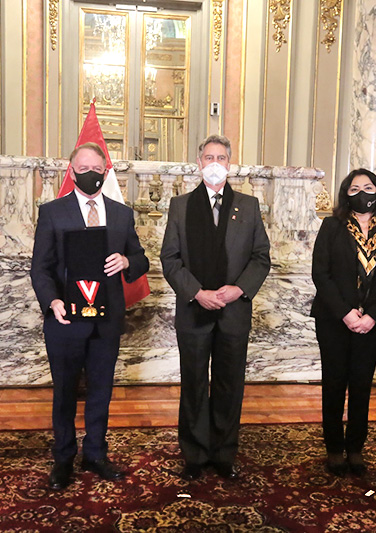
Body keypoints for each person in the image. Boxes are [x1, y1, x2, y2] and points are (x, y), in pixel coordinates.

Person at [31, 142, 149, 490]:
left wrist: (128, 263)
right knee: (65, 391)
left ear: (105, 171)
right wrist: (52, 302)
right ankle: (63, 458)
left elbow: (140, 258)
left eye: (97, 168)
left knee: (101, 390)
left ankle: (96, 452)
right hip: (65, 319)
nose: (90, 173)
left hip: (106, 319)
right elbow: (41, 268)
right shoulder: (53, 212)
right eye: (83, 167)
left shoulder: (122, 214)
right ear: (71, 170)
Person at [160, 135, 270, 481]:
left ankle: (224, 453)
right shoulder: (180, 206)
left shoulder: (249, 206)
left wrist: (239, 289)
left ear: (230, 164)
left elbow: (260, 257)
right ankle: (194, 453)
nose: (215, 163)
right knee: (193, 383)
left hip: (233, 313)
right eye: (209, 157)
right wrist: (196, 292)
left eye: (221, 157)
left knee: (229, 385)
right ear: (199, 163)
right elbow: (170, 258)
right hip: (194, 312)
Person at [310, 169, 376, 477]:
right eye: (354, 188)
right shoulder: (332, 227)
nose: (361, 193)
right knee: (334, 383)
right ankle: (334, 447)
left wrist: (373, 315)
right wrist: (347, 313)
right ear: (345, 194)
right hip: (334, 319)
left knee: (362, 385)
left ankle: (356, 447)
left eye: (367, 187)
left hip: (373, 322)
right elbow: (320, 274)